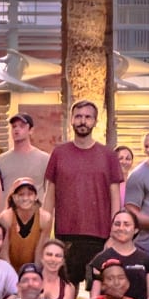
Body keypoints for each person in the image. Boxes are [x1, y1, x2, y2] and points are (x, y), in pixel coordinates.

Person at [41, 99, 122, 278]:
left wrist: (114, 235)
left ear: (95, 121)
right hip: (66, 233)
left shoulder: (108, 155)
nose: (82, 121)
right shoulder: (59, 153)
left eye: (87, 117)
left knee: (100, 288)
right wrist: (45, 233)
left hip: (100, 235)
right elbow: (50, 195)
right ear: (71, 119)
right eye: (78, 116)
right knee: (68, 286)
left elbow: (115, 197)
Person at [0, 111, 51, 200]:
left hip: (36, 212)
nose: (17, 129)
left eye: (21, 126)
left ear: (31, 130)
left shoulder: (44, 159)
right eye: (14, 126)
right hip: (9, 212)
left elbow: (49, 192)